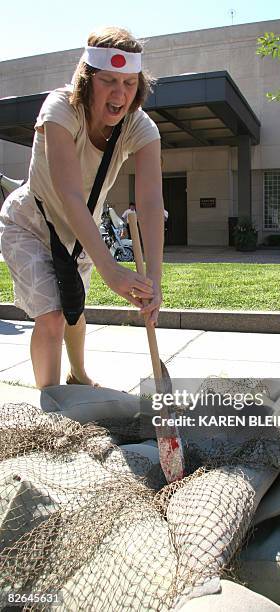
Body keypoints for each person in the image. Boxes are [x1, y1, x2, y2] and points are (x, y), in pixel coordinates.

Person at [0, 26, 164, 389]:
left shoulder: (141, 128)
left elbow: (151, 202)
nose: (120, 93)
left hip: (79, 232)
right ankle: (52, 406)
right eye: (109, 80)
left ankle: (78, 375)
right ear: (88, 79)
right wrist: (110, 269)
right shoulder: (60, 110)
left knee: (73, 309)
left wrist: (154, 279)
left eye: (130, 83)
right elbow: (68, 192)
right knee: (54, 316)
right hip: (30, 224)